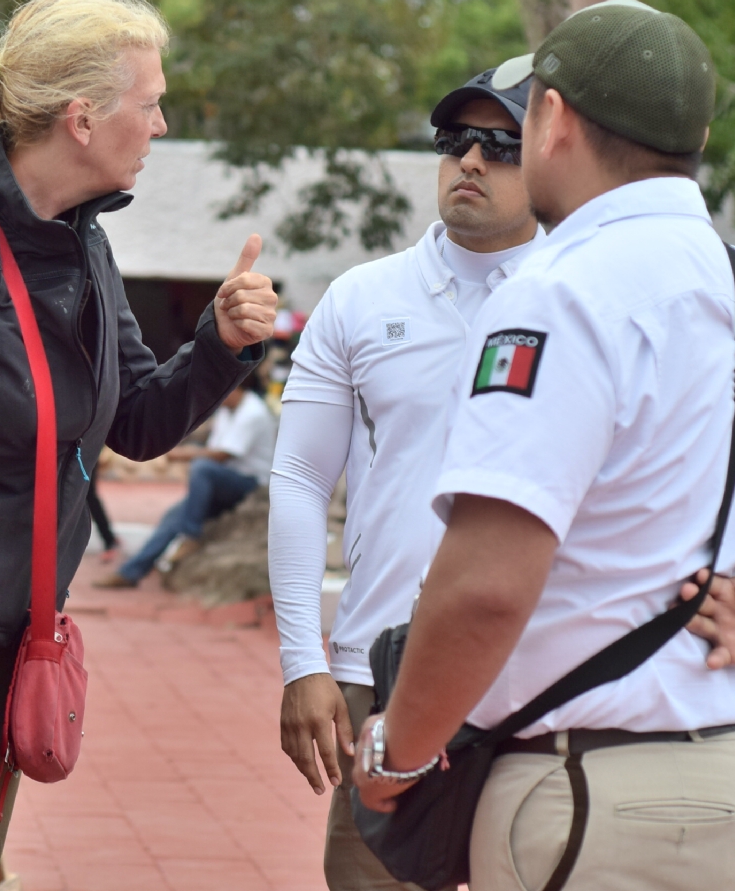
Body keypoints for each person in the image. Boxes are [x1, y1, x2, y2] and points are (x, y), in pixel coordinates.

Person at [352, 1, 735, 891]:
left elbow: (483, 587)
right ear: (697, 135)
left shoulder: (555, 295)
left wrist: (394, 756)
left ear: (551, 116)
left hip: (597, 794)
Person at [0, 0, 278, 891]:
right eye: (149, 105)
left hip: (20, 629)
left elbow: (139, 421)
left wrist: (220, 342)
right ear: (81, 117)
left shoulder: (82, 245)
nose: (159, 127)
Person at [269, 63, 545, 890]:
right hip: (376, 669)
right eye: (455, 140)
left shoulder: (579, 297)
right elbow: (299, 477)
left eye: (502, 145)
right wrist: (301, 660)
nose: (471, 161)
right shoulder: (361, 298)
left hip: (537, 668)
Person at [94, 371, 277, 588]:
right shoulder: (227, 411)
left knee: (202, 469)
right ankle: (131, 571)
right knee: (173, 516)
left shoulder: (252, 412)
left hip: (249, 483)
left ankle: (191, 534)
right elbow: (212, 447)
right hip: (224, 480)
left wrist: (181, 454)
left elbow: (223, 454)